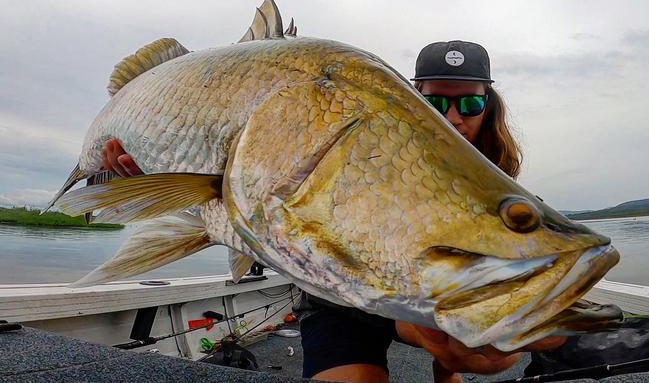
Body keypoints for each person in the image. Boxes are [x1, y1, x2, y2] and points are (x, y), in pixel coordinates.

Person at [101, 40, 564, 383]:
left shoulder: (498, 173)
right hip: (335, 293)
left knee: (457, 333)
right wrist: (142, 182)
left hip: (403, 292)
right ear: (413, 98)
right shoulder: (370, 137)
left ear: (489, 104)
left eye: (470, 102)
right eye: (433, 103)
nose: (453, 117)